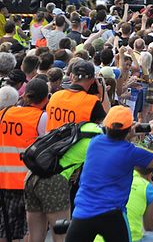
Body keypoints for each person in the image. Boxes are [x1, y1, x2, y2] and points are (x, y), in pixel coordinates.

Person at [64, 107, 153, 242]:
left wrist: (127, 134)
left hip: (83, 212)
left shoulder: (94, 143)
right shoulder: (131, 152)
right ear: (128, 130)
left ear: (106, 126)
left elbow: (114, 143)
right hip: (112, 215)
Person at [0, 78, 48, 242]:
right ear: (45, 99)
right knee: (29, 230)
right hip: (29, 182)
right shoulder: (42, 118)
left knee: (5, 229)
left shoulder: (4, 114)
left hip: (4, 181)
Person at [45, 62, 107, 132]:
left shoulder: (55, 96)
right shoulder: (92, 101)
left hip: (52, 142)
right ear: (93, 80)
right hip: (77, 142)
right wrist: (103, 94)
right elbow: (108, 125)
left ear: (71, 76)